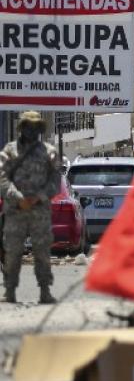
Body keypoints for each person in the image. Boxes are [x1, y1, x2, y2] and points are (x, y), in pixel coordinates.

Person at [0, 112, 60, 304]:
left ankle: (45, 290)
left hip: (39, 211)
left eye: (35, 127)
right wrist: (17, 198)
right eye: (28, 126)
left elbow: (55, 181)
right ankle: (9, 290)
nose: (31, 131)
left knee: (42, 251)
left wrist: (38, 197)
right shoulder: (9, 151)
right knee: (12, 251)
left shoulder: (49, 151)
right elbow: (2, 178)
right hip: (15, 211)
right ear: (22, 128)